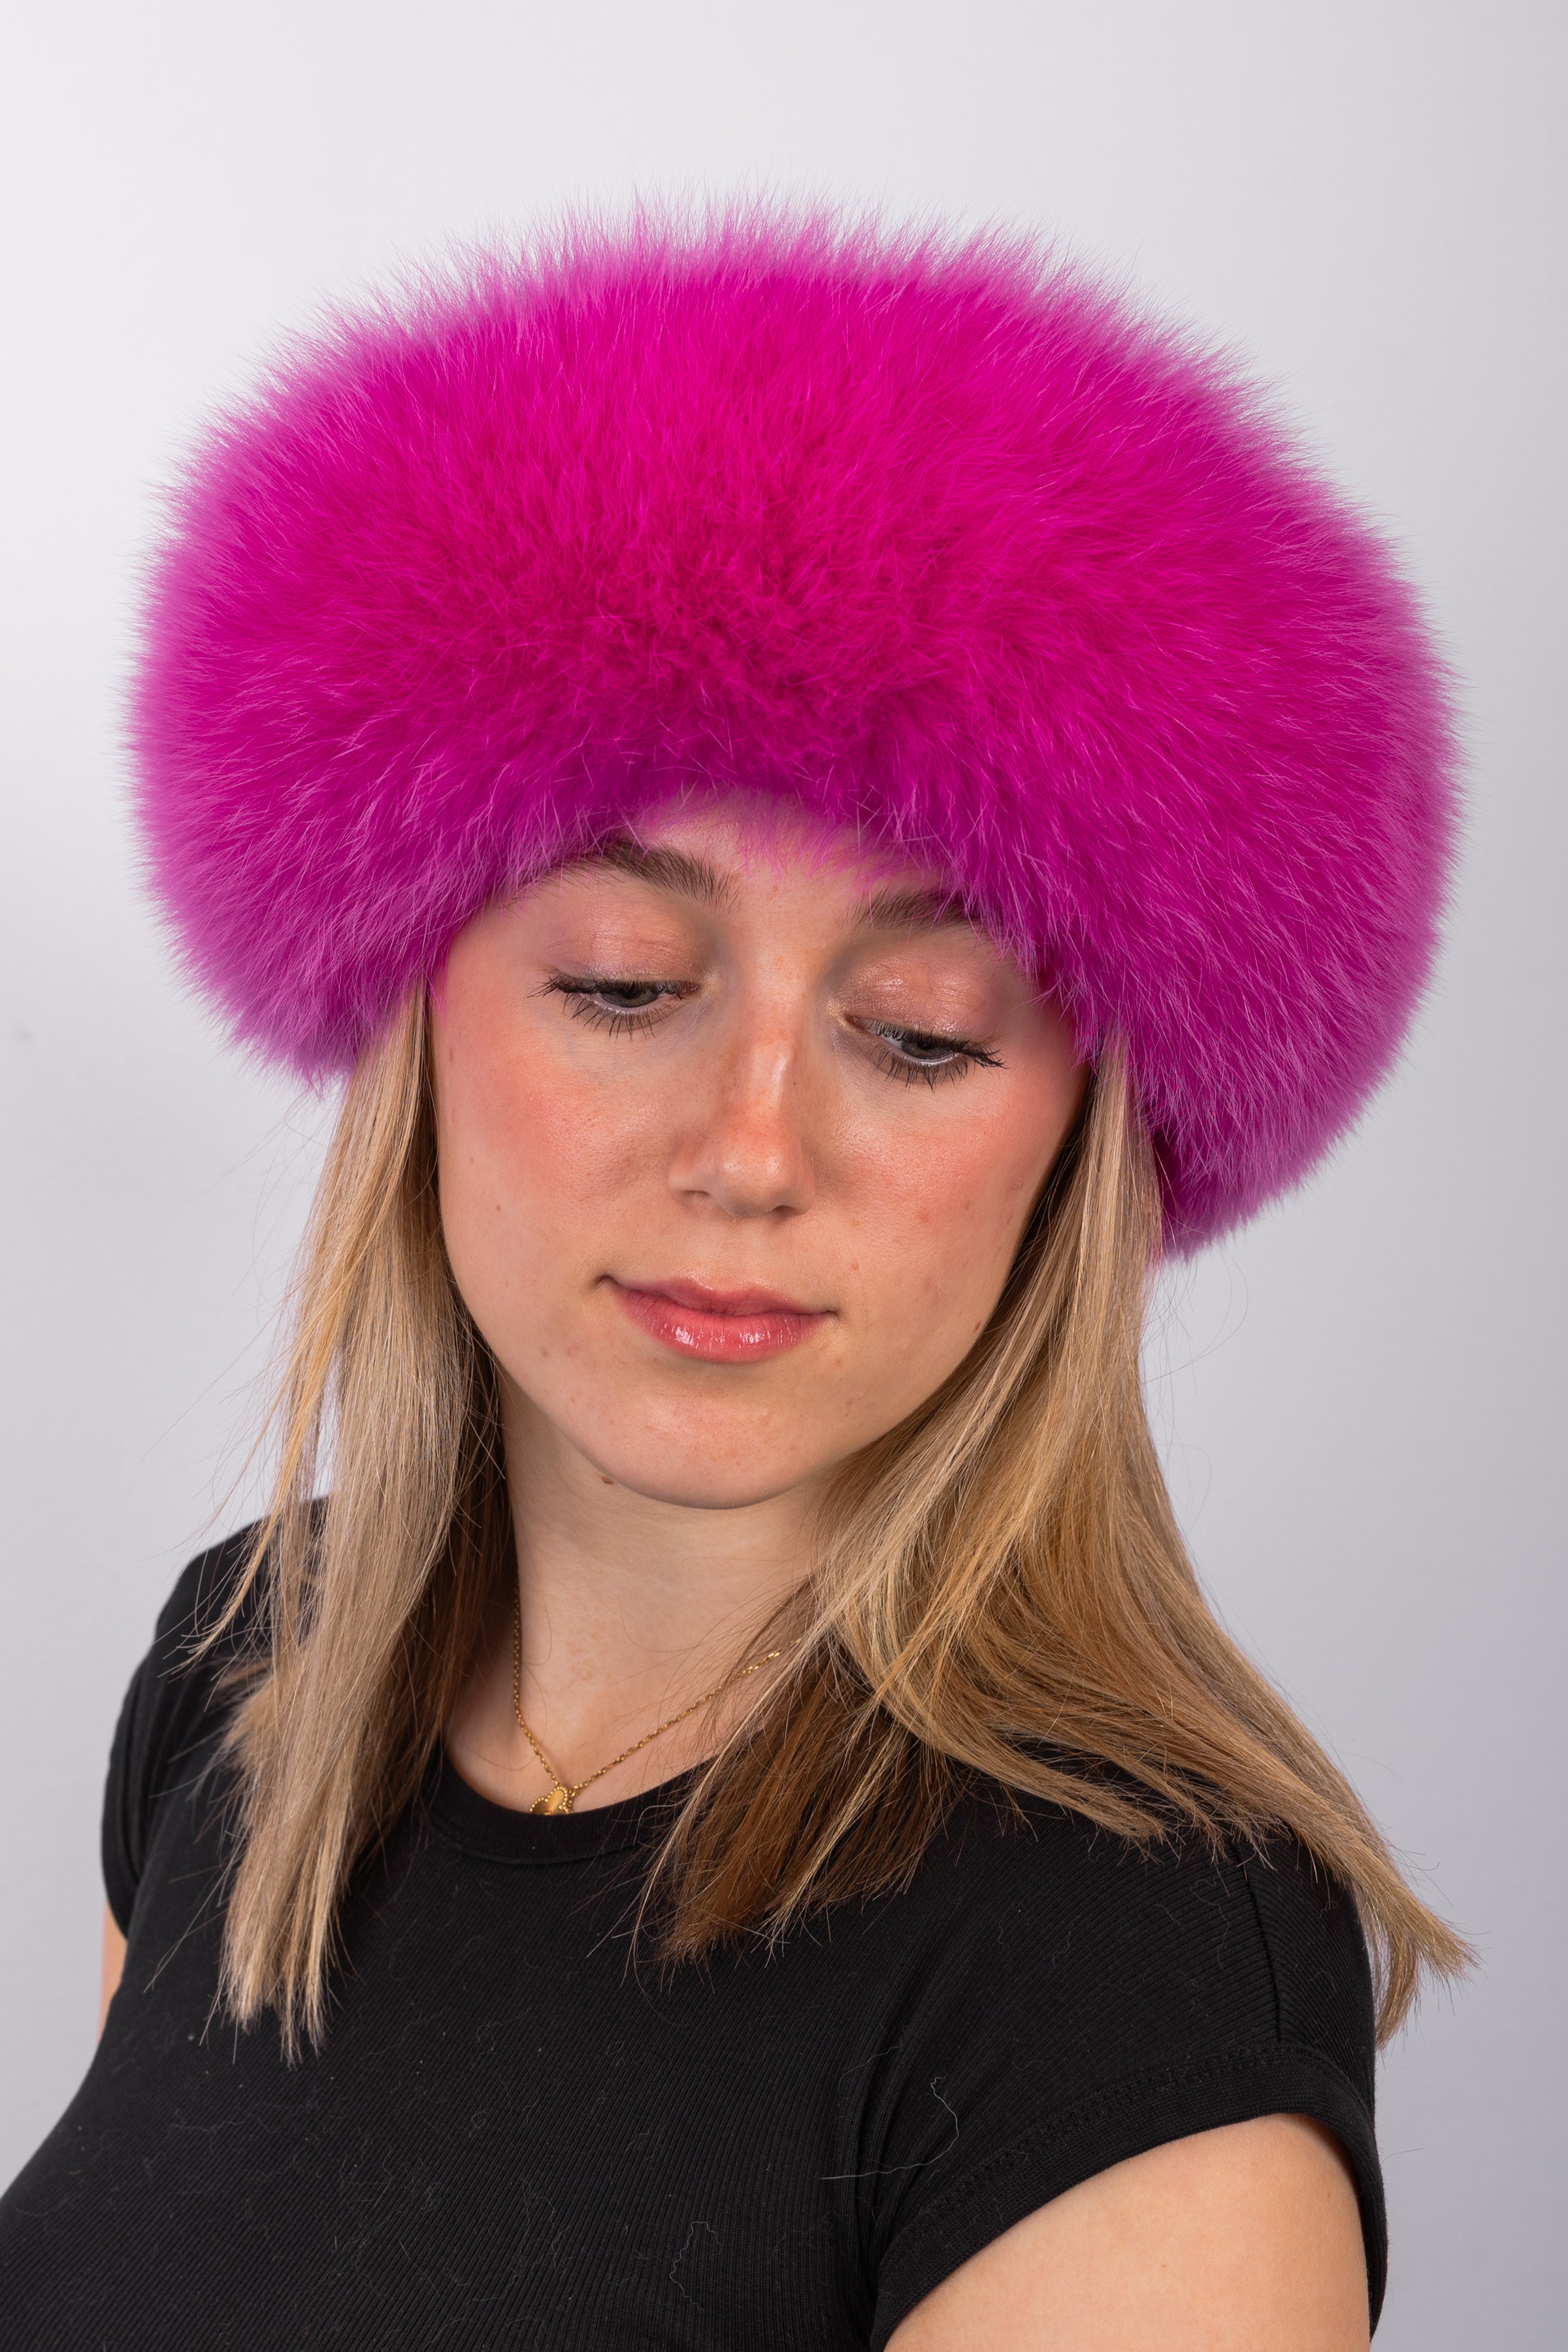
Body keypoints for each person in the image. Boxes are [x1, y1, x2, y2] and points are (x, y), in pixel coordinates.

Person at [0, 208, 1465, 2349]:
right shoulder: (253, 1683)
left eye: (925, 1032)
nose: (752, 1152)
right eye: (621, 984)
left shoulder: (1124, 1980)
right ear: (420, 1014)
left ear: (1079, 1140)